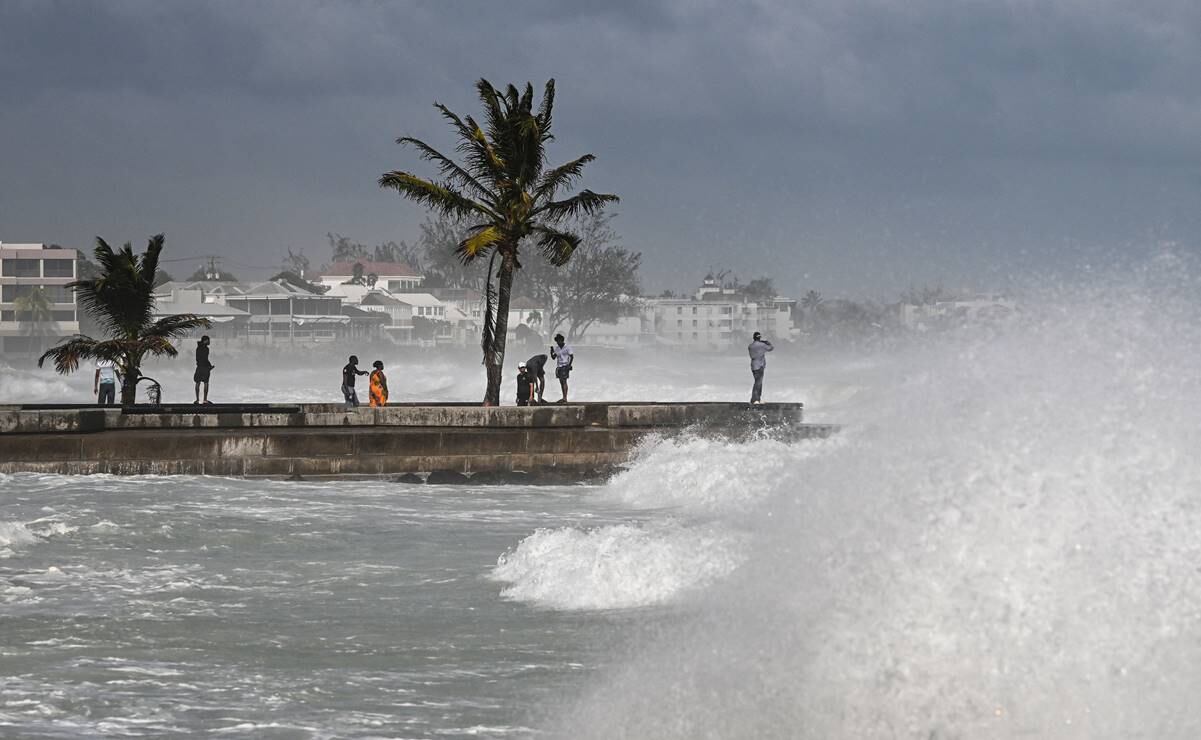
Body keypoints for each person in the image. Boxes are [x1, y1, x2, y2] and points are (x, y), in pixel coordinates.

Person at [748, 331, 774, 405]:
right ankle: (756, 399)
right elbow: (771, 348)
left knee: (757, 382)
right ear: (759, 338)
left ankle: (756, 399)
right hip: (760, 366)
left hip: (753, 366)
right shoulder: (762, 345)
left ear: (753, 338)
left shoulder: (750, 346)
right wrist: (767, 342)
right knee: (758, 383)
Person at [550, 334, 574, 403]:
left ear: (561, 340)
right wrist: (551, 351)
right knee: (561, 382)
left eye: (558, 341)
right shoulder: (557, 348)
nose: (557, 342)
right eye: (557, 341)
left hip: (565, 365)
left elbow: (572, 356)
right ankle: (563, 397)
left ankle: (565, 398)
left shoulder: (567, 347)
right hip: (559, 366)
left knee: (564, 381)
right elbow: (553, 357)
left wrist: (569, 365)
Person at [193, 335, 214, 404]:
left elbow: (198, 359)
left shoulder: (198, 348)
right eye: (208, 340)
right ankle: (205, 400)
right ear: (205, 340)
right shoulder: (206, 349)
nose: (209, 342)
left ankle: (197, 400)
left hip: (199, 367)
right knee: (206, 383)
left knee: (197, 383)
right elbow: (205, 359)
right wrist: (210, 366)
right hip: (205, 368)